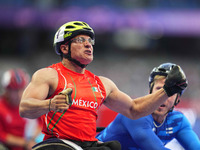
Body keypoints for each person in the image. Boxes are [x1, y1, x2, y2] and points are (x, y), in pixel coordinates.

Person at [19, 21, 187, 150]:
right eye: (80, 40)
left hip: (89, 145)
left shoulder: (102, 84)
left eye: (90, 41)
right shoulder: (49, 75)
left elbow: (134, 109)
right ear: (64, 48)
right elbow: (25, 108)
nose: (88, 44)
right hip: (60, 144)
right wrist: (50, 104)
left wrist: (168, 90)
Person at [96, 63, 200, 150]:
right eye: (159, 89)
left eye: (170, 93)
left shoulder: (178, 120)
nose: (164, 96)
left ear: (177, 99)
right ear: (150, 92)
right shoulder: (136, 115)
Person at [0, 68, 41, 150]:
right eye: (15, 90)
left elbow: (42, 123)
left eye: (22, 89)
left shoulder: (32, 103)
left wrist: (33, 140)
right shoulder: (1, 107)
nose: (19, 94)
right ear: (7, 90)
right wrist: (26, 143)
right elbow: (2, 135)